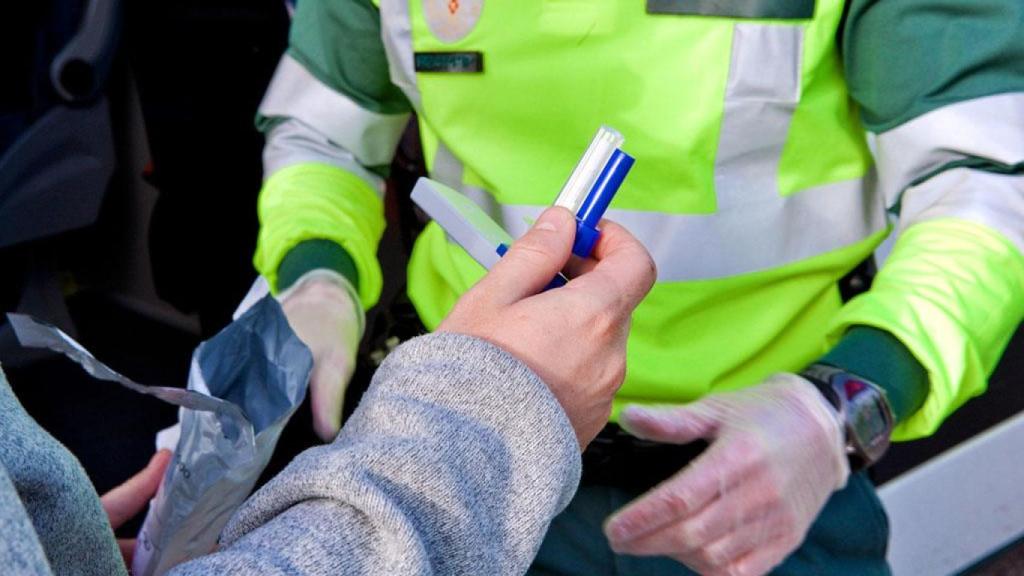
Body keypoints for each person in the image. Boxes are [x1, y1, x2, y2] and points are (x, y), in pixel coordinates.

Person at [253, 1, 1024, 574]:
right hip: (469, 449)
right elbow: (325, 133)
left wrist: (845, 403)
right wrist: (317, 273)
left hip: (765, 470)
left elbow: (988, 186)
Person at [0, 207, 657, 575]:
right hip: (510, 445)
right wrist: (486, 413)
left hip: (693, 465)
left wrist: (55, 548)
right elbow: (321, 120)